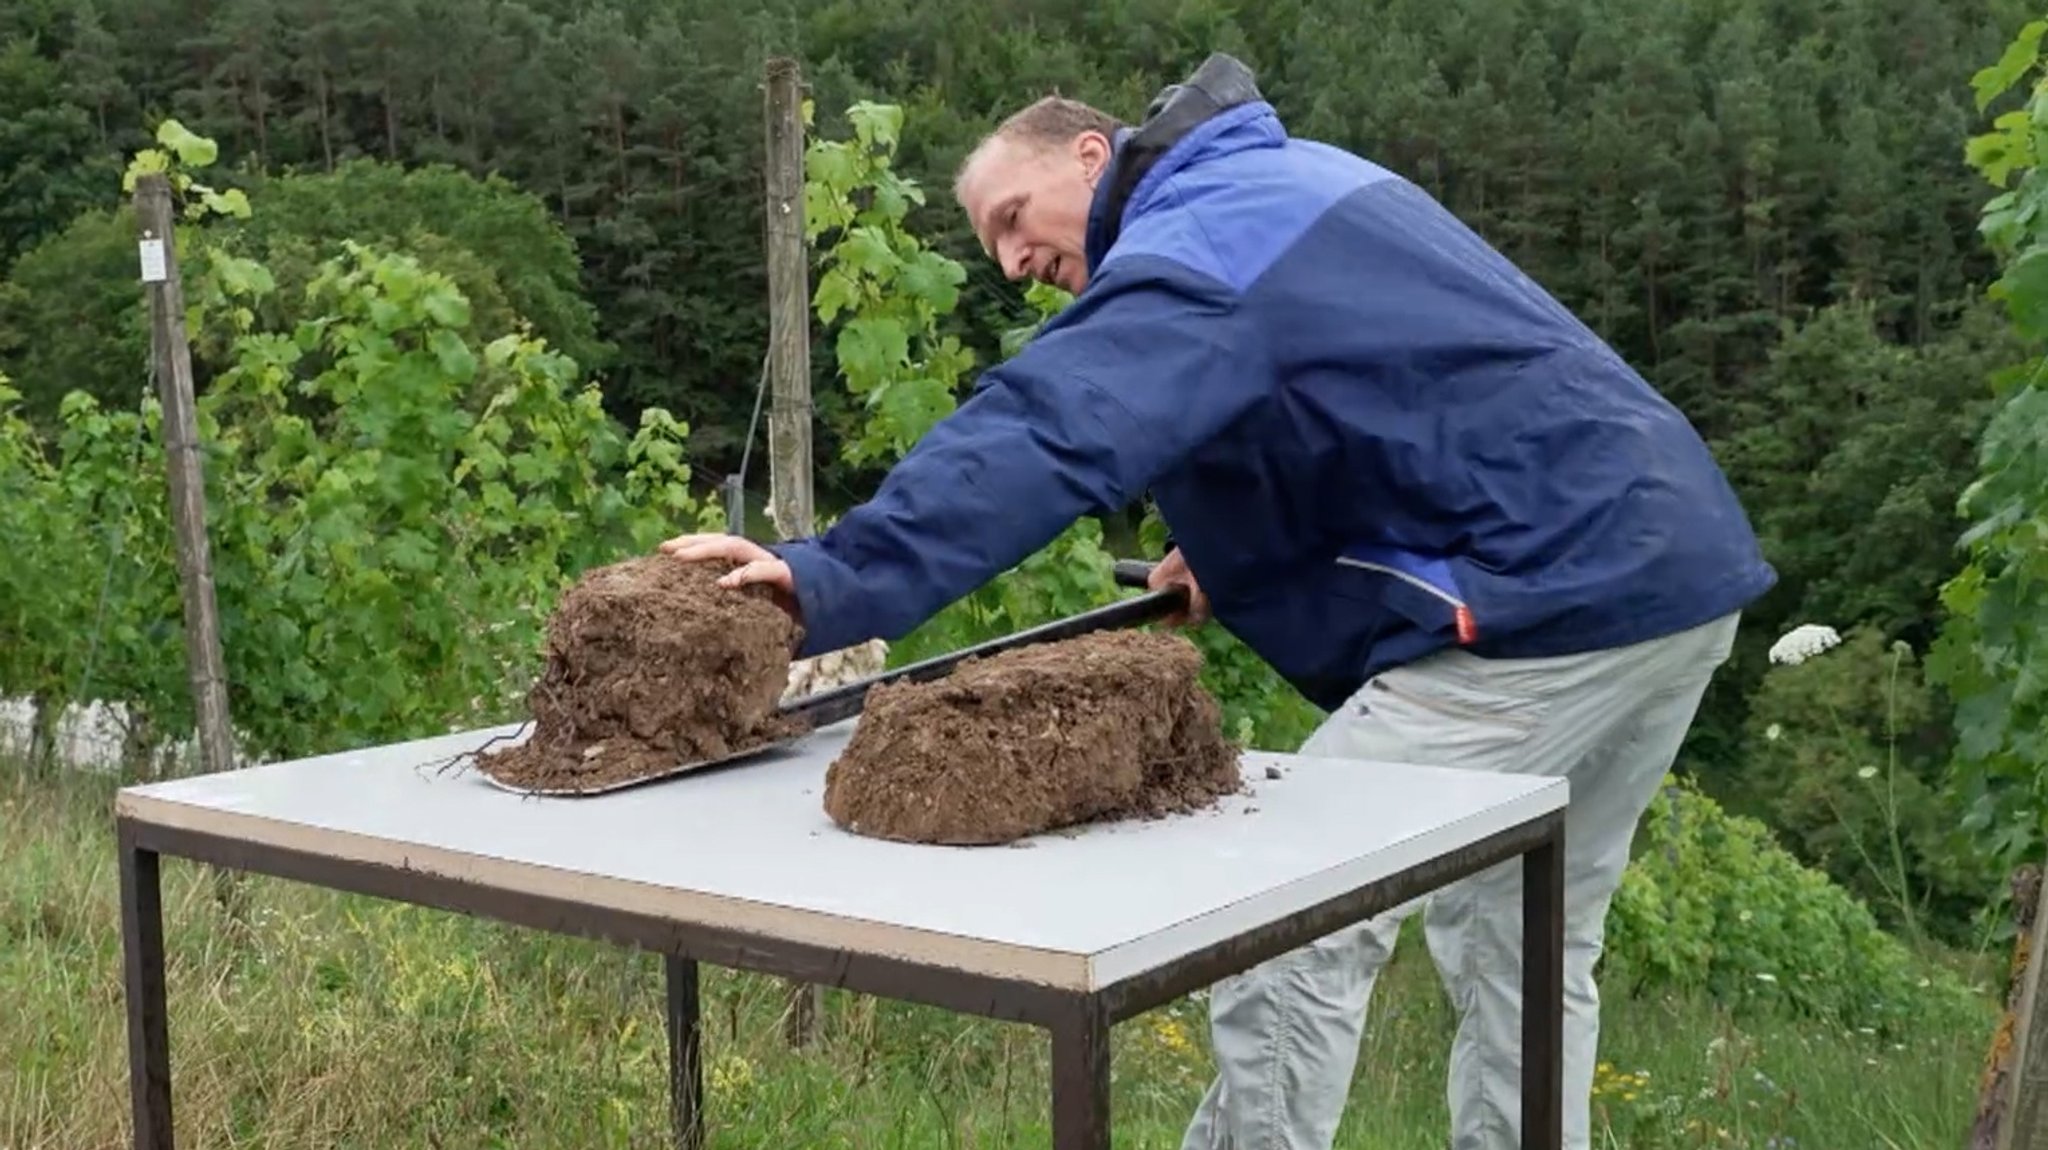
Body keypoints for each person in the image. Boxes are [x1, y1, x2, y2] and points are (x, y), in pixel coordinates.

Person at [663, 52, 1775, 1150]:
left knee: (1285, 926)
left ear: (1090, 156)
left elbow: (1053, 428)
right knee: (1522, 938)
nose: (1007, 262)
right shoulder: (1279, 182)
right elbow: (1381, 409)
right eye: (989, 245)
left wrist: (830, 579)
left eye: (1010, 216)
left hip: (1551, 598)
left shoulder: (1198, 234)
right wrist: (1235, 549)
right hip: (1662, 561)